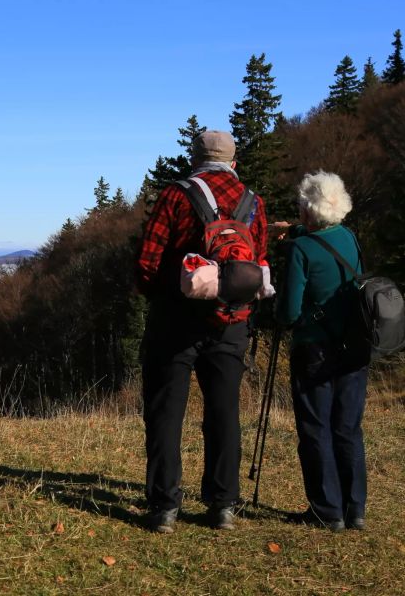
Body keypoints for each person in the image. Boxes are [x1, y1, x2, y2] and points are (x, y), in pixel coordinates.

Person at [137, 130, 268, 533]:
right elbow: (258, 263)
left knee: (165, 413)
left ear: (195, 159)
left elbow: (148, 263)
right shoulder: (253, 203)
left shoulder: (176, 196)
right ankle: (222, 504)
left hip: (175, 323)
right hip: (231, 321)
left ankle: (164, 508)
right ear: (233, 161)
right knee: (224, 412)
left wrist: (166, 296)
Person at [275, 171, 369, 532]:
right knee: (347, 426)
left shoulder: (301, 250)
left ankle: (326, 509)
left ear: (310, 211)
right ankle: (354, 508)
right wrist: (293, 229)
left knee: (315, 427)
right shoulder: (348, 237)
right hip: (355, 347)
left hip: (314, 350)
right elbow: (321, 241)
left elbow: (289, 312)